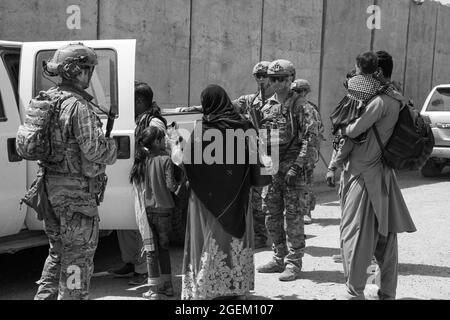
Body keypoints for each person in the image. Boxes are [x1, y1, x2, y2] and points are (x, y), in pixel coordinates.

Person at [34, 43, 117, 300]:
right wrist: (111, 147)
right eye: (88, 69)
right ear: (76, 71)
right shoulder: (79, 106)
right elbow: (94, 150)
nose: (90, 74)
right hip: (76, 199)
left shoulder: (48, 99)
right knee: (76, 260)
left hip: (49, 191)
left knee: (58, 254)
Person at [334, 51, 417, 300]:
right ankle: (387, 292)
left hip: (364, 177)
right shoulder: (398, 98)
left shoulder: (379, 102)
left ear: (374, 74)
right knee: (386, 240)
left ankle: (354, 293)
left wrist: (344, 126)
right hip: (384, 175)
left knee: (356, 237)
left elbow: (354, 130)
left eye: (362, 71)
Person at [181, 85, 256, 300]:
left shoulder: (202, 128)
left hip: (205, 199)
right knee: (233, 237)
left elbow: (188, 162)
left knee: (209, 236)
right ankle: (236, 287)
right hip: (237, 195)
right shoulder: (243, 125)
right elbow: (256, 158)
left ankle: (209, 286)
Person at [257, 60, 319, 281]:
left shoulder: (302, 107)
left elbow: (311, 140)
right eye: (273, 78)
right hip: (272, 171)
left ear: (291, 78)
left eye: (281, 78)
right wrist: (263, 162)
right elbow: (263, 138)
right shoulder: (266, 106)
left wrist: (297, 166)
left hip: (294, 172)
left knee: (292, 218)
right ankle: (279, 257)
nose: (276, 82)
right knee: (271, 216)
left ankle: (293, 263)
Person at [109, 82, 161, 285]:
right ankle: (130, 262)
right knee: (125, 221)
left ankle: (143, 269)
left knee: (142, 224)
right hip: (133, 177)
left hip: (146, 179)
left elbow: (161, 151)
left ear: (139, 101)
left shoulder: (154, 122)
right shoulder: (135, 120)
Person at [131, 125, 179, 300]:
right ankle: (168, 286)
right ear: (158, 141)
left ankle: (153, 290)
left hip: (148, 210)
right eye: (162, 138)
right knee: (164, 249)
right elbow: (170, 185)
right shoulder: (166, 159)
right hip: (165, 210)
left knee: (151, 251)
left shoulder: (142, 161)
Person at [232, 61, 274, 249]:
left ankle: (279, 236)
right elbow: (227, 107)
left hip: (274, 152)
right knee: (255, 197)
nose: (262, 79)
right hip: (255, 152)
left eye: (266, 75)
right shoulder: (249, 100)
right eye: (259, 76)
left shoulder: (280, 100)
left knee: (272, 197)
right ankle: (259, 235)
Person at [291, 79, 324, 225]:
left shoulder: (310, 108)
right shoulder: (290, 107)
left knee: (306, 181)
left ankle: (306, 211)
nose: (296, 94)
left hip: (307, 151)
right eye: (294, 91)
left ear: (305, 92)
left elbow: (316, 131)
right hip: (293, 151)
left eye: (299, 91)